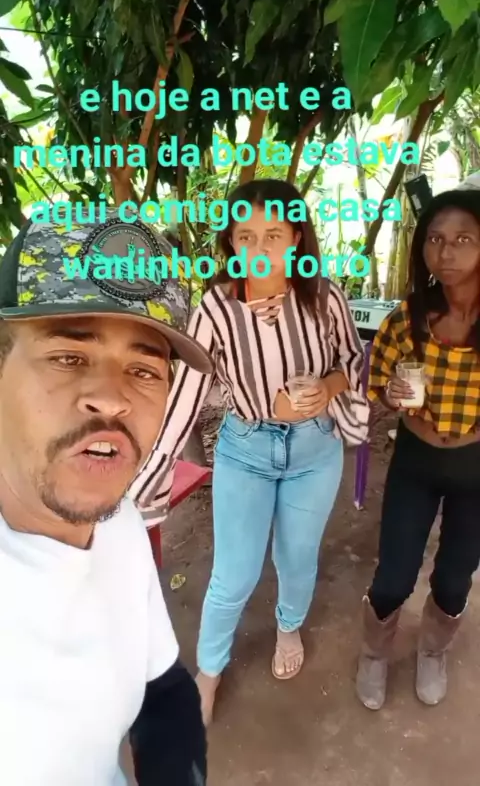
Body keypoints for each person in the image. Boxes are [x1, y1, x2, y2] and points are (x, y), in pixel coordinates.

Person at [129, 179, 369, 725]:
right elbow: (187, 394)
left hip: (315, 450)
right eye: (246, 236)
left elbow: (353, 362)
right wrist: (154, 468)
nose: (259, 250)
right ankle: (209, 671)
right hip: (246, 449)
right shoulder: (216, 308)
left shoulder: (324, 296)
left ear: (297, 239)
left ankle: (289, 627)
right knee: (233, 574)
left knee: (296, 557)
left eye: (274, 235)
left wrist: (326, 389)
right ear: (231, 242)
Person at [0, 211, 213, 785]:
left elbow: (163, 688)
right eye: (69, 357)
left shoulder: (119, 522)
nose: (113, 399)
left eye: (144, 369)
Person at [356, 188, 480, 711]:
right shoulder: (407, 318)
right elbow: (379, 384)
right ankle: (374, 652)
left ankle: (433, 650)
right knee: (395, 573)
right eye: (434, 239)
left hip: (475, 465)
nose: (445, 253)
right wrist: (391, 393)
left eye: (463, 240)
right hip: (416, 459)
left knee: (454, 576)